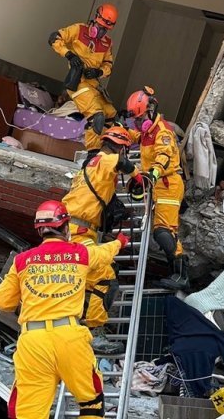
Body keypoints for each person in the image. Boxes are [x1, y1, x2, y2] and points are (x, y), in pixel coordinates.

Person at [0, 200, 130, 419]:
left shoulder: (22, 261)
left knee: (27, 412)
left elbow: (2, 303)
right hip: (70, 338)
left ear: (40, 231)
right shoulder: (80, 254)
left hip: (33, 341)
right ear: (66, 228)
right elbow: (104, 253)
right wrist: (119, 242)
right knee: (91, 402)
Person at [63, 125, 144, 353]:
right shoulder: (107, 159)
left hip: (74, 230)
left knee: (87, 279)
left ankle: (78, 326)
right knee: (105, 276)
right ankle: (95, 333)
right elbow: (123, 165)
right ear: (120, 149)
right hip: (78, 232)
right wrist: (139, 178)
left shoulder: (91, 164)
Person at [124, 87, 188, 290]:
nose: (138, 122)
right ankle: (176, 273)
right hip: (159, 185)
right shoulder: (147, 132)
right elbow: (134, 136)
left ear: (151, 110)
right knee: (163, 231)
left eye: (140, 117)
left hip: (168, 184)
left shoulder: (163, 132)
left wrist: (153, 174)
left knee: (163, 232)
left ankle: (181, 275)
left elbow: (164, 156)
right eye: (136, 119)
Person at [50, 3, 119, 152]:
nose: (101, 32)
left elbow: (108, 65)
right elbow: (54, 38)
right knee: (97, 116)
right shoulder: (79, 30)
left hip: (94, 85)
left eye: (105, 29)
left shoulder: (107, 44)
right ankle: (92, 153)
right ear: (95, 19)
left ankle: (105, 151)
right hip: (78, 83)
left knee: (110, 115)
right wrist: (69, 54)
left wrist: (98, 72)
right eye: (100, 27)